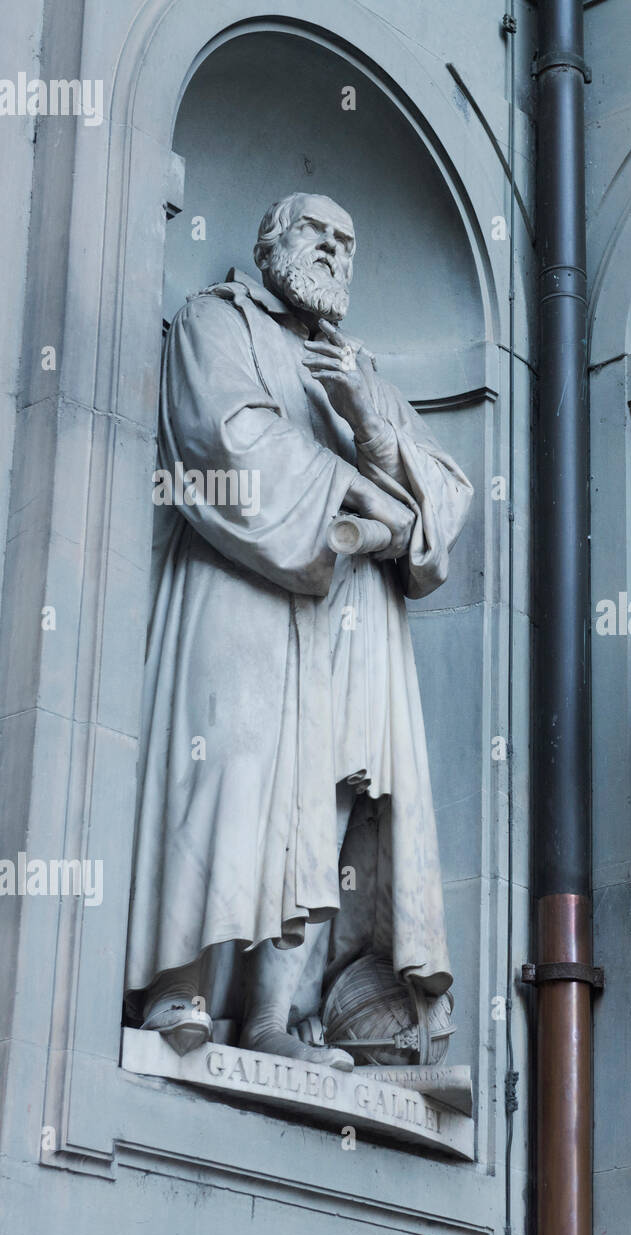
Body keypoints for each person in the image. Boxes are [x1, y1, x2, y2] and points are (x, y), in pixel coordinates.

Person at [126, 193, 472, 1068]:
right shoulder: (217, 321)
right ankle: (179, 988)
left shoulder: (358, 367)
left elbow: (444, 498)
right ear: (269, 240)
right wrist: (356, 493)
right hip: (241, 588)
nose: (334, 250)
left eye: (348, 240)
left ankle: (279, 1020)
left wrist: (370, 423)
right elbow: (225, 439)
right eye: (316, 232)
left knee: (326, 800)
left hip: (352, 621)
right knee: (229, 771)